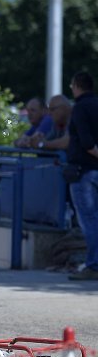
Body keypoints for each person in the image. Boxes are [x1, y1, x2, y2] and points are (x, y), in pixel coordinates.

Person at [65, 71, 98, 280]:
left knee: (89, 220)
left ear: (77, 86)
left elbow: (86, 143)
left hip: (84, 172)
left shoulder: (79, 108)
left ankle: (93, 266)